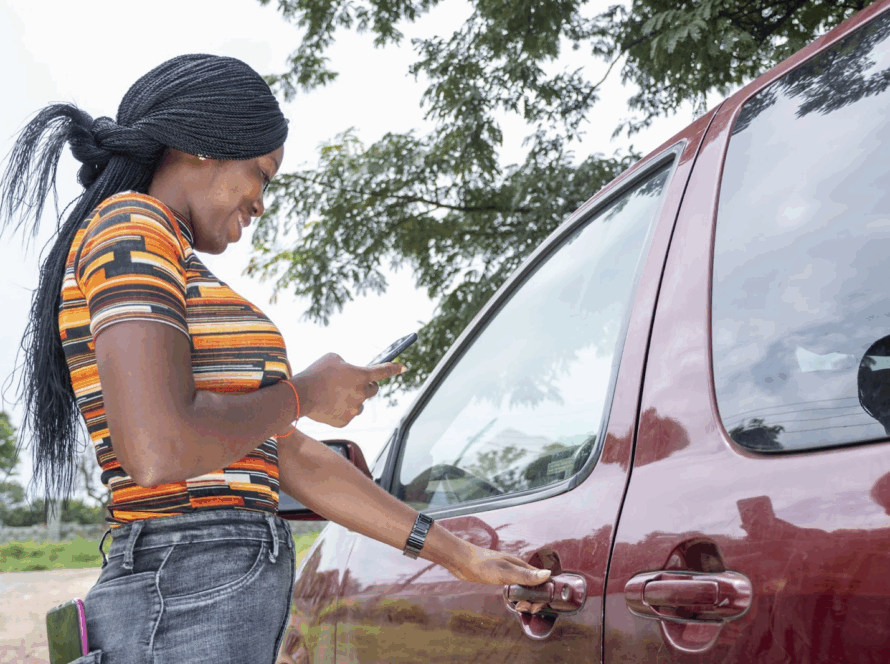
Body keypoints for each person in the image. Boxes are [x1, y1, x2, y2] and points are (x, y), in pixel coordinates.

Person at [0, 54, 550, 664]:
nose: (261, 202)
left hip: (197, 585)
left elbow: (288, 455)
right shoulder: (132, 229)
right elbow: (157, 448)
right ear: (203, 147)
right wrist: (304, 393)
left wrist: (459, 554)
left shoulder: (166, 253)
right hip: (183, 586)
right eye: (261, 173)